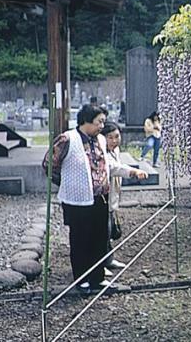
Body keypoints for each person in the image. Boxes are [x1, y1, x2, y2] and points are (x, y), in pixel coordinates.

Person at [43, 104, 147, 293]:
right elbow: (49, 164)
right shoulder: (67, 139)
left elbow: (109, 165)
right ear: (86, 120)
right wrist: (67, 183)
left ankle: (97, 278)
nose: (102, 126)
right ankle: (81, 279)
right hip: (77, 201)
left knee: (99, 239)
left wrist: (132, 172)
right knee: (81, 239)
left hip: (101, 197)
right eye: (99, 122)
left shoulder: (99, 139)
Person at [101, 122, 132, 275]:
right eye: (110, 137)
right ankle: (99, 266)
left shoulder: (116, 150)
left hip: (112, 198)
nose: (114, 140)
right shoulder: (101, 153)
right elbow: (113, 168)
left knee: (109, 231)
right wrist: (132, 172)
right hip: (102, 199)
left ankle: (109, 260)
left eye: (117, 136)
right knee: (102, 233)